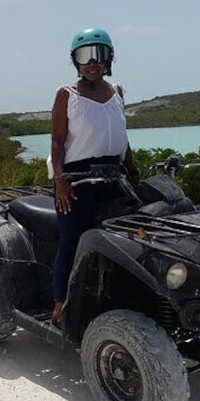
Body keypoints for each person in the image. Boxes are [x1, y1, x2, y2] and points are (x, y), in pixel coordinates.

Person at [49, 28, 140, 325]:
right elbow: (58, 142)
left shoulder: (117, 93)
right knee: (73, 239)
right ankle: (61, 304)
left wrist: (132, 167)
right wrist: (60, 179)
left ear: (109, 59)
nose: (93, 62)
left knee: (131, 235)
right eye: (85, 55)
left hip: (114, 178)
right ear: (75, 60)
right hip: (78, 180)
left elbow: (121, 136)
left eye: (99, 55)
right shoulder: (67, 95)